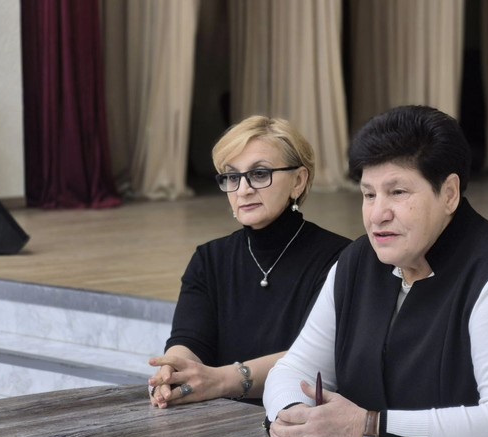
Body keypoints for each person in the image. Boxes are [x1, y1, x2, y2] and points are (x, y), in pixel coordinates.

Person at [263, 105, 488, 437]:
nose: (377, 214)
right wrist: (295, 416)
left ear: (449, 193)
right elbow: (294, 369)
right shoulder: (356, 263)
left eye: (397, 192)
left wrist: (367, 429)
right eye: (368, 195)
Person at [148, 115, 351, 408]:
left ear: (298, 181)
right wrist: (173, 370)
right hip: (216, 416)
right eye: (232, 177)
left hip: (297, 418)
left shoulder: (341, 259)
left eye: (259, 174)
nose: (243, 190)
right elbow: (189, 340)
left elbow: (316, 358)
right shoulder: (209, 259)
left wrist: (222, 380)